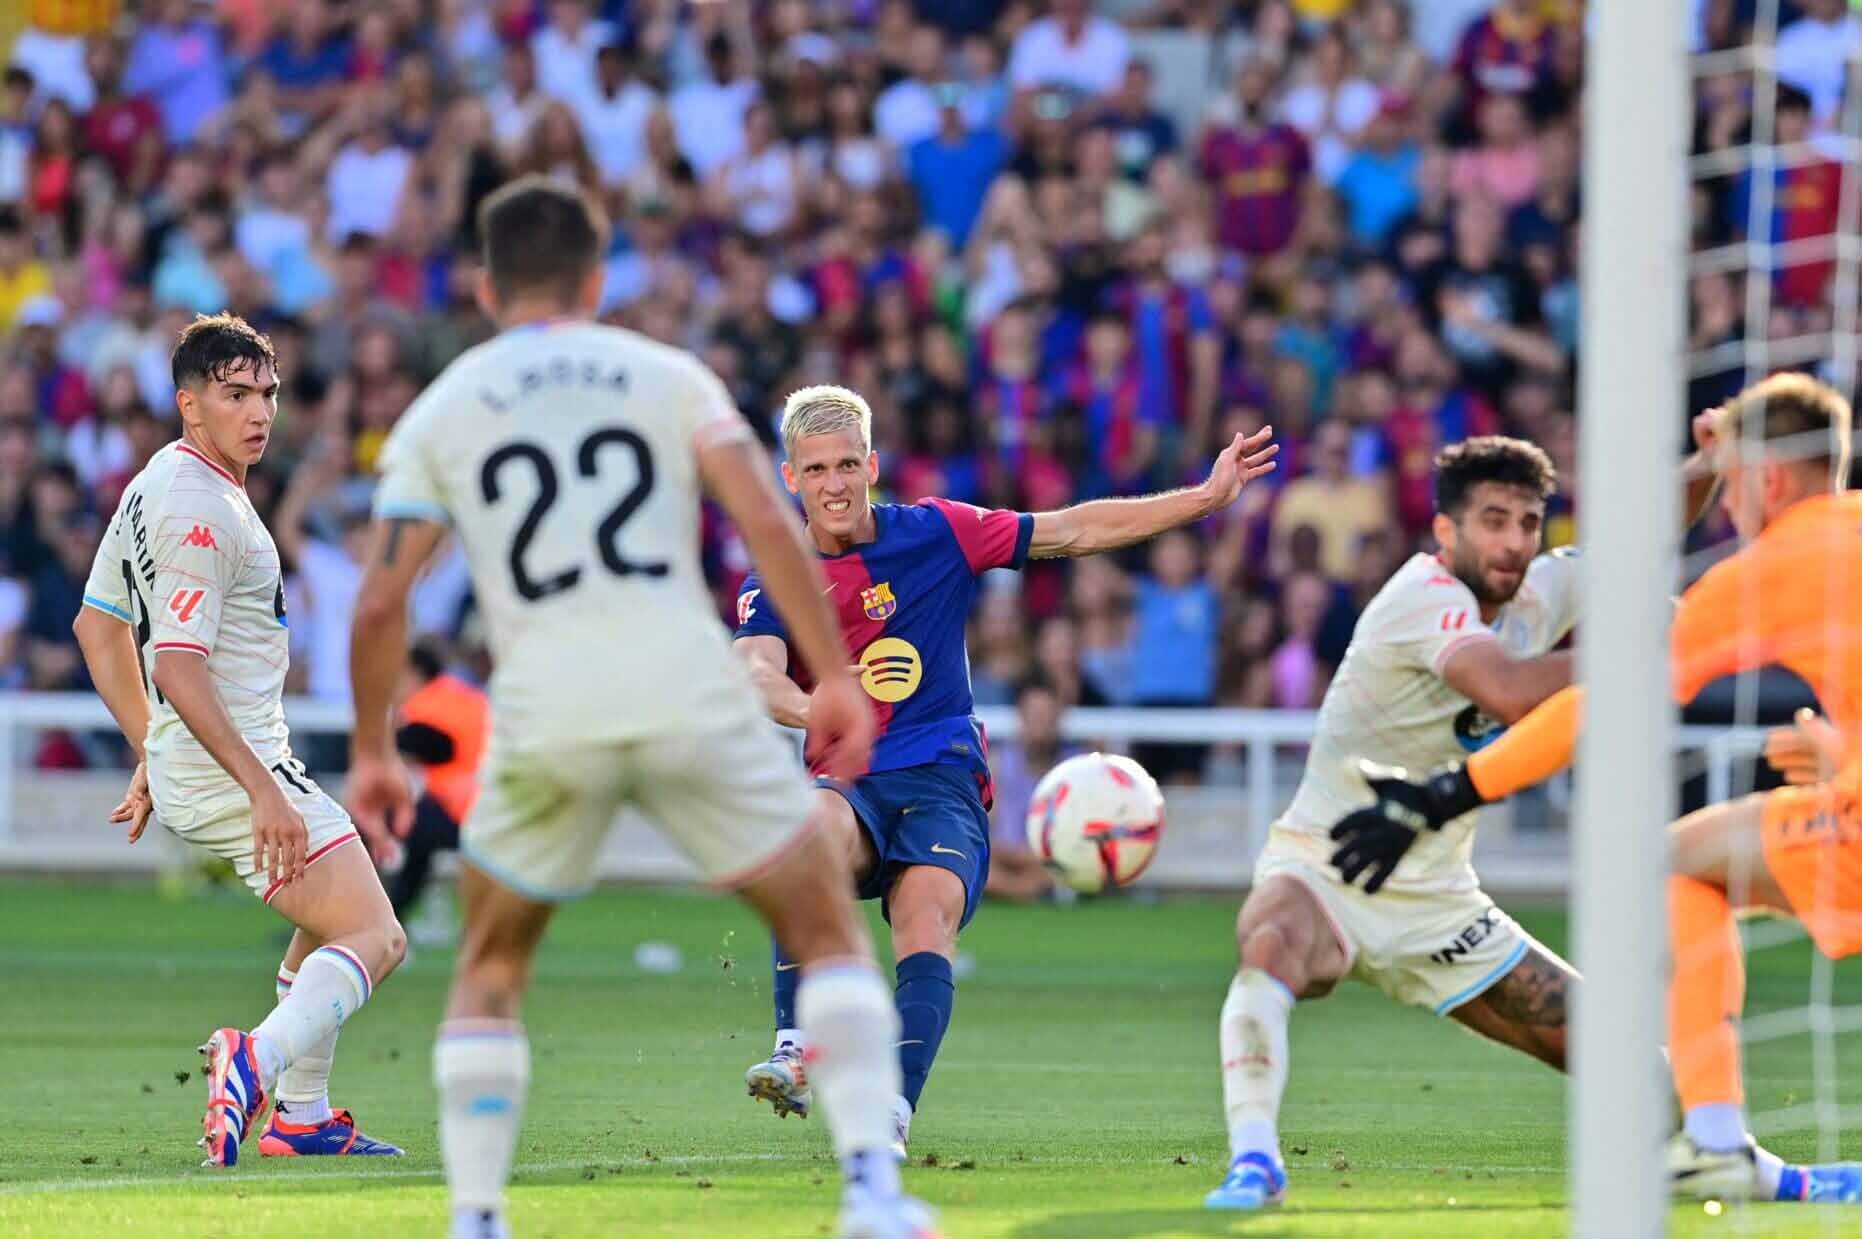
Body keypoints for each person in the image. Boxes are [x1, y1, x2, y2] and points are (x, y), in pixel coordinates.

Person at [343, 176, 938, 1239]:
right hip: (683, 692)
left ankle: (476, 1216)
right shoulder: (664, 374)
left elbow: (381, 596)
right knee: (821, 920)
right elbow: (762, 515)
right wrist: (839, 679)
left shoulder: (445, 405)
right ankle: (871, 1193)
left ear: (485, 287)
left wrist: (375, 749)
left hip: (544, 712)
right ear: (596, 277)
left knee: (490, 963)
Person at [1328, 375, 1862, 1205]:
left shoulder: (1767, 574)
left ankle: (1717, 1136)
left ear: (1767, 481)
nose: (1725, 511)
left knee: (1677, 866)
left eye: (1734, 484)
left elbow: (1605, 694)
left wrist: (1449, 790)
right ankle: (1719, 1140)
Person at [736, 383, 1278, 1157]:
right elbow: (754, 673)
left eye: (848, 464)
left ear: (873, 466)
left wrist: (1203, 497)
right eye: (817, 468)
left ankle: (888, 1114)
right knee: (810, 826)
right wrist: (814, 705)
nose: (835, 484)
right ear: (791, 477)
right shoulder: (778, 573)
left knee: (923, 921)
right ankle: (795, 1043)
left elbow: (1074, 528)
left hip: (941, 778)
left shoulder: (937, 533)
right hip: (847, 784)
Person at [1205, 437, 1580, 1211]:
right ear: (1446, 532)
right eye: (1493, 520)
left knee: (1632, 1060)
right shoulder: (1423, 595)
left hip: (1439, 896)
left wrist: (1715, 459)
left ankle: (1742, 1162)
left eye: (1529, 521)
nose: (1512, 540)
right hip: (1327, 864)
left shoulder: (1545, 592)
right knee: (1270, 936)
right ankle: (1253, 1160)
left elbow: (1652, 533)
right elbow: (1510, 691)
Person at [71, 313, 404, 1167]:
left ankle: (302, 1117)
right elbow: (177, 666)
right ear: (190, 404)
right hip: (241, 766)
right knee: (377, 935)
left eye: (267, 393)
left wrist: (155, 750)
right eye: (234, 394)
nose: (259, 412)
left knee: (328, 921)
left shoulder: (156, 482)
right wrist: (258, 789)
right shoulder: (202, 509)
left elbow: (98, 626)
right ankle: (253, 1061)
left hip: (208, 759)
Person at [373, 641, 488, 925]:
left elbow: (423, 747)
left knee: (368, 826)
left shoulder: (424, 706)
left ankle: (375, 920)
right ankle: (387, 918)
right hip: (488, 806)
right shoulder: (466, 697)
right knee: (413, 836)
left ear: (414, 673)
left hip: (459, 808)